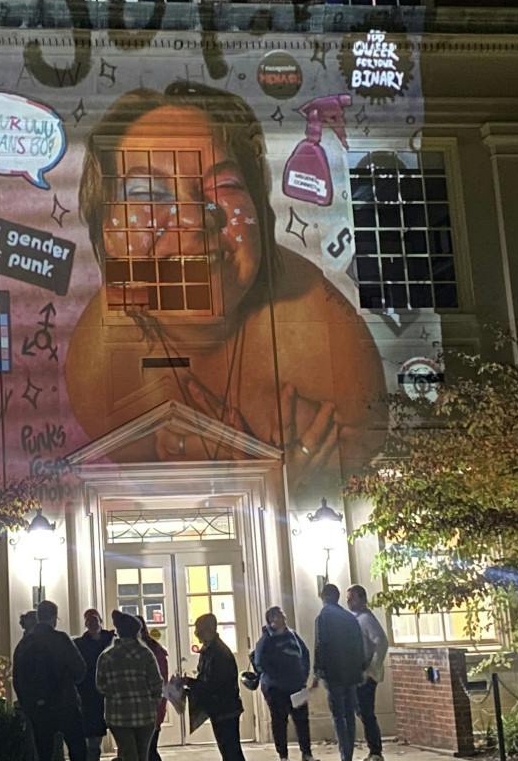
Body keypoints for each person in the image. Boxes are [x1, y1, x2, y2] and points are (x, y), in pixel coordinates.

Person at [65, 83, 385, 490]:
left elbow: (361, 459)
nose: (195, 219)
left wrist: (299, 485)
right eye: (147, 193)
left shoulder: (321, 340)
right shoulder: (101, 372)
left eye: (225, 186)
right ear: (106, 234)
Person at [11, 600, 86, 761]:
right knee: (78, 753)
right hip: (66, 706)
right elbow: (80, 670)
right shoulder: (60, 639)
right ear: (54, 617)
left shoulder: (24, 644)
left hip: (39, 711)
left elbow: (17, 679)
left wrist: (30, 704)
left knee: (47, 756)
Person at [94, 611, 165, 761]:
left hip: (118, 716)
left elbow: (100, 685)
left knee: (128, 760)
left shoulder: (107, 656)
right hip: (145, 715)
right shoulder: (145, 654)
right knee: (143, 759)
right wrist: (151, 701)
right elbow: (156, 684)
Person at [184, 612, 250, 761]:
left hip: (226, 708)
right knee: (226, 752)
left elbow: (213, 684)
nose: (196, 633)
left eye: (199, 629)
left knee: (232, 752)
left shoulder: (219, 653)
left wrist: (191, 685)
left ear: (209, 629)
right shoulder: (208, 651)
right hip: (218, 708)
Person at [311, 582, 368, 761]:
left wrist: (317, 671)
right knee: (349, 716)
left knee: (338, 717)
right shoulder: (349, 618)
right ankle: (348, 757)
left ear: (324, 597)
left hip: (334, 674)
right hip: (351, 673)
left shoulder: (323, 618)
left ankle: (346, 760)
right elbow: (359, 644)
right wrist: (360, 668)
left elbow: (321, 645)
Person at [251, 606, 317, 761]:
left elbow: (305, 653)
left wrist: (304, 674)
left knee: (302, 720)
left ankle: (306, 753)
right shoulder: (266, 640)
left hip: (296, 685)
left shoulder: (292, 635)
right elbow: (260, 662)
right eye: (280, 615)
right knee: (280, 721)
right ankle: (283, 755)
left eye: (283, 614)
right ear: (272, 620)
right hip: (276, 687)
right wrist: (275, 676)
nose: (284, 617)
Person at [345, 585, 391, 761]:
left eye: (352, 598)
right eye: (348, 598)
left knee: (366, 713)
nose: (349, 602)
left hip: (365, 675)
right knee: (363, 713)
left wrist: (371, 668)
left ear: (362, 599)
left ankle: (376, 753)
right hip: (358, 674)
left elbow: (381, 642)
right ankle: (373, 752)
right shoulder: (357, 619)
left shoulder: (365, 619)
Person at [73, 607, 114, 761]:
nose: (92, 623)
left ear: (100, 620)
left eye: (95, 619)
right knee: (93, 745)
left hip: (112, 697)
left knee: (124, 740)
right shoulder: (80, 645)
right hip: (91, 699)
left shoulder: (112, 641)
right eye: (88, 620)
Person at [145, 625, 171, 761]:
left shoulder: (154, 652)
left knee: (150, 751)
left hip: (153, 709)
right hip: (148, 709)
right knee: (146, 753)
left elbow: (159, 683)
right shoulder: (151, 650)